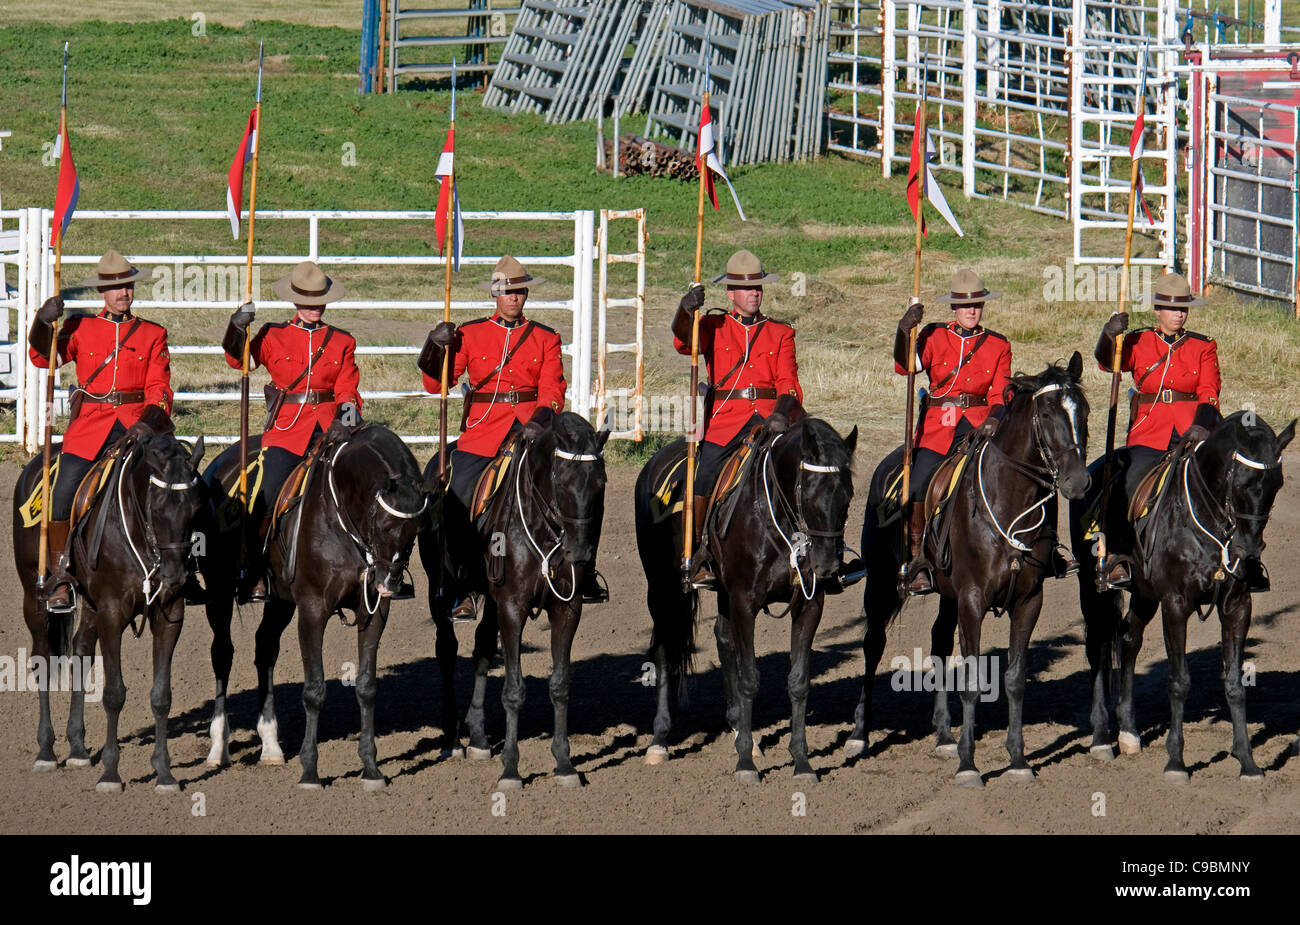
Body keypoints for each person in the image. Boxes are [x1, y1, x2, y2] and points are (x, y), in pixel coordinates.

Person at [419, 255, 606, 620]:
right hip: (483, 433)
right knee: (456, 494)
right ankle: (465, 585)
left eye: (519, 291)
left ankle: (584, 571)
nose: (514, 298)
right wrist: (434, 346)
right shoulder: (469, 334)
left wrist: (539, 420)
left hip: (533, 431)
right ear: (494, 294)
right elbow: (434, 384)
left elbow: (553, 389)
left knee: (580, 485)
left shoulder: (545, 338)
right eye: (507, 292)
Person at [31, 250, 177, 612]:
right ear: (102, 292)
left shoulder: (152, 334)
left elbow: (160, 387)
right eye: (114, 288)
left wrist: (149, 420)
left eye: (126, 286)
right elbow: (43, 358)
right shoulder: (81, 328)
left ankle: (184, 564)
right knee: (63, 491)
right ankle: (60, 575)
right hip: (90, 428)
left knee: (180, 482)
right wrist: (42, 323)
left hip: (138, 427)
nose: (122, 293)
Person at [221, 260, 362, 602]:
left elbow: (347, 389)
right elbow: (239, 361)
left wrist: (346, 419)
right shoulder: (272, 335)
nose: (314, 307)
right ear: (295, 301)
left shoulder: (341, 341)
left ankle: (372, 567)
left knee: (362, 489)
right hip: (287, 431)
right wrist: (236, 328)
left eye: (319, 301)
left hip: (331, 432)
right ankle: (255, 568)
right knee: (267, 493)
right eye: (307, 301)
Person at [671, 249, 803, 590]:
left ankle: (816, 550)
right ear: (730, 293)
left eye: (758, 286)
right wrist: (685, 309)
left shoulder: (780, 332)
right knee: (703, 479)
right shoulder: (713, 326)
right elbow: (683, 342)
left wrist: (778, 415)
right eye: (746, 287)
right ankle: (700, 553)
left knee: (810, 473)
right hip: (726, 422)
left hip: (773, 421)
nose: (754, 292)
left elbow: (789, 383)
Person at [1094, 271, 1223, 587]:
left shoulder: (1202, 346)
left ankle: (1235, 555)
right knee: (1127, 479)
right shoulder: (1138, 340)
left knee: (1228, 480)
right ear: (1157, 310)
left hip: (1194, 430)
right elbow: (1107, 363)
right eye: (1173, 307)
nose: (1179, 314)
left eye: (1184, 308)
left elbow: (1209, 391)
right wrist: (1108, 335)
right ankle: (1118, 555)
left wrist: (1201, 427)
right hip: (1149, 432)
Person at [894, 269, 1012, 594]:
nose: (971, 310)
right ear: (953, 308)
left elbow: (1001, 392)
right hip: (938, 429)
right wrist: (904, 329)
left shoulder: (998, 345)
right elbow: (907, 365)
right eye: (964, 305)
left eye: (977, 304)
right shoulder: (933, 335)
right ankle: (918, 559)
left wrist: (996, 416)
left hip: (980, 428)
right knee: (918, 484)